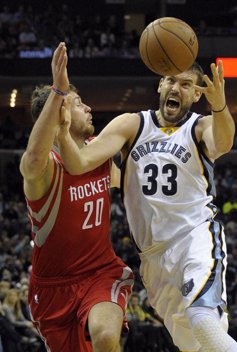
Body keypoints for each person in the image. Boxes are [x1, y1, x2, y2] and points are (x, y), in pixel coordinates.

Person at [57, 42, 237, 352]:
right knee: (192, 344)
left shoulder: (200, 127)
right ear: (160, 84)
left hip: (194, 238)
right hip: (153, 259)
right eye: (171, 80)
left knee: (202, 320)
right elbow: (78, 163)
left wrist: (220, 106)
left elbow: (223, 142)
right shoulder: (132, 124)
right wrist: (63, 130)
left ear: (197, 94)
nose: (176, 87)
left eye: (186, 84)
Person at [19, 42, 134, 352]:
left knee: (106, 335)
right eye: (79, 103)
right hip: (52, 290)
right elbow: (31, 159)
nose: (89, 108)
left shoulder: (100, 152)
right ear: (60, 113)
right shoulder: (45, 169)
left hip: (101, 271)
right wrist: (58, 91)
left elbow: (132, 191)